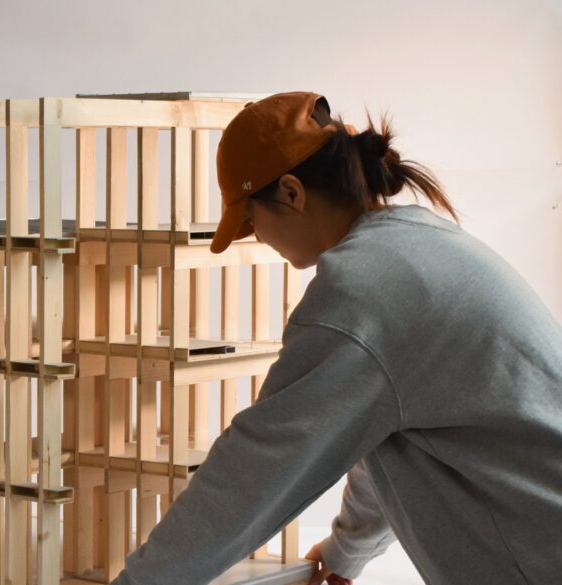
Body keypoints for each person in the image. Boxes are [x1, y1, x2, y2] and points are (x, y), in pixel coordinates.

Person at [110, 92, 562, 585]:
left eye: (250, 220)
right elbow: (388, 430)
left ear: (290, 193)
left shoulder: (364, 290)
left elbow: (255, 471)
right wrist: (347, 549)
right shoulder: (418, 245)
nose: (257, 236)